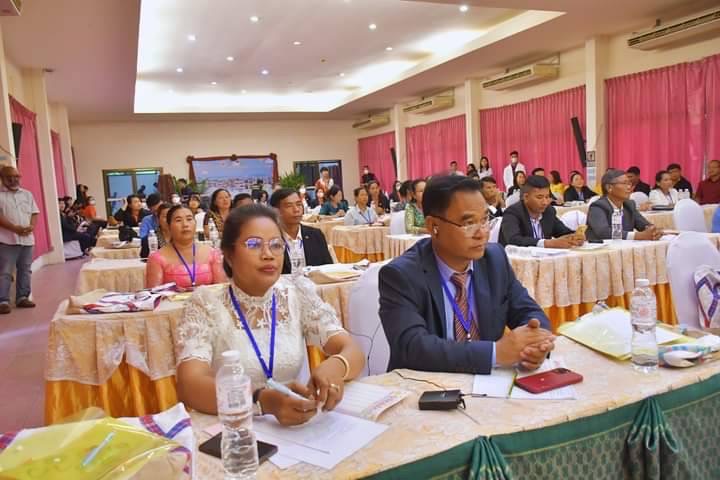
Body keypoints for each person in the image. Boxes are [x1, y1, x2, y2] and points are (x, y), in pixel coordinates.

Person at [175, 205, 365, 424]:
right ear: (228, 254)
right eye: (254, 244)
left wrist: (336, 366)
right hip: (234, 425)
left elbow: (352, 350)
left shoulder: (296, 293)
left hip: (297, 425)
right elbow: (190, 385)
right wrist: (262, 400)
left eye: (276, 245)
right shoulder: (206, 303)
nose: (268, 255)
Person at [378, 175, 554, 374]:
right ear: (433, 226)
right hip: (428, 386)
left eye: (485, 220)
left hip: (489, 384)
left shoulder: (494, 259)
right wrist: (495, 353)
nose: (482, 233)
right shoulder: (401, 275)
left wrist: (535, 345)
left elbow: (530, 312)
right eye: (469, 223)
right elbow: (412, 347)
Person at [146, 205, 225, 289]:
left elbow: (222, 289)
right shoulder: (157, 258)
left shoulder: (212, 254)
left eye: (189, 219)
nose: (185, 224)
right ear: (169, 226)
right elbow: (154, 294)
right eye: (178, 220)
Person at [499, 176, 582, 248]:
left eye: (547, 197)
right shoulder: (512, 212)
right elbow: (513, 239)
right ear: (526, 197)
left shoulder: (549, 211)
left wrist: (575, 236)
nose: (545, 202)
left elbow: (563, 232)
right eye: (539, 197)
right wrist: (546, 243)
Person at [0, 166, 39, 313]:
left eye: (16, 176)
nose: (13, 179)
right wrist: (14, 228)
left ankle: (22, 297)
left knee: (25, 270)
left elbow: (34, 213)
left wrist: (31, 227)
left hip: (27, 239)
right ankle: (3, 301)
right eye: (9, 177)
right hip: (7, 240)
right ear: (2, 178)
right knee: (4, 271)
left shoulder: (27, 194)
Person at [586, 169, 663, 242]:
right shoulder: (598, 206)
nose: (629, 187)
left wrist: (653, 231)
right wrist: (637, 236)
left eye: (629, 183)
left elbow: (644, 225)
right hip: (603, 249)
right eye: (624, 183)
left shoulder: (629, 205)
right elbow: (604, 232)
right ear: (609, 187)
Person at [270, 188, 334, 275]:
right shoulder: (270, 239)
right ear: (276, 211)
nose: (296, 209)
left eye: (299, 204)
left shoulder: (315, 235)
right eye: (289, 206)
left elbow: (328, 268)